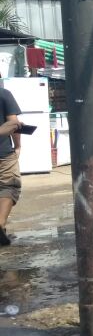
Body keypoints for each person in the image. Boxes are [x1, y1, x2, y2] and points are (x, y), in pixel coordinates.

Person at [0, 78, 23, 246]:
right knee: (9, 186)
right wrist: (18, 146)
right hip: (3, 153)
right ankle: (0, 223)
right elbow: (14, 124)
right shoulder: (4, 94)